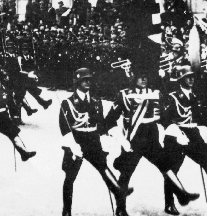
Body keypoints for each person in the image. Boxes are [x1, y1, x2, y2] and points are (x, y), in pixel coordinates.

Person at [105, 65, 199, 216]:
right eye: (140, 76)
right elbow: (109, 121)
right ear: (133, 78)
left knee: (166, 166)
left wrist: (176, 132)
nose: (144, 79)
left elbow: (164, 118)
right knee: (126, 173)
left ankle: (180, 195)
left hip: (151, 138)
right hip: (133, 139)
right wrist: (121, 139)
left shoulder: (156, 95)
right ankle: (120, 208)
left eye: (146, 77)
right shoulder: (124, 95)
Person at [59, 68, 132, 216]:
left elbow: (101, 124)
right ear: (77, 82)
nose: (88, 82)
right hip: (76, 141)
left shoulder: (96, 101)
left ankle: (118, 193)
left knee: (103, 168)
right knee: (70, 176)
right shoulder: (67, 103)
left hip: (92, 139)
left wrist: (112, 137)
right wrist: (73, 146)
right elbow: (64, 128)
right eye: (84, 80)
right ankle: (66, 210)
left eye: (89, 79)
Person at [162, 62, 207, 215]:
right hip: (176, 136)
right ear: (180, 79)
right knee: (172, 171)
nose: (191, 80)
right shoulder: (172, 97)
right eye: (187, 77)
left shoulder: (194, 96)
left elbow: (200, 118)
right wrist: (177, 133)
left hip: (193, 134)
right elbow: (165, 120)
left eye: (192, 77)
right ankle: (169, 204)